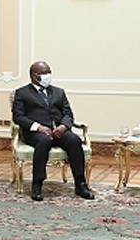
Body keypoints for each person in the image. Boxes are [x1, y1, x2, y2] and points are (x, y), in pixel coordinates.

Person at [12, 61, 94, 201]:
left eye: (49, 72)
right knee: (44, 141)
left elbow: (68, 114)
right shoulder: (22, 93)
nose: (48, 75)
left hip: (58, 131)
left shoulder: (58, 92)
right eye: (44, 73)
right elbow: (18, 117)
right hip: (36, 133)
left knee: (74, 140)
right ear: (34, 75)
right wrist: (38, 127)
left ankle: (81, 184)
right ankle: (37, 184)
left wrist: (63, 127)